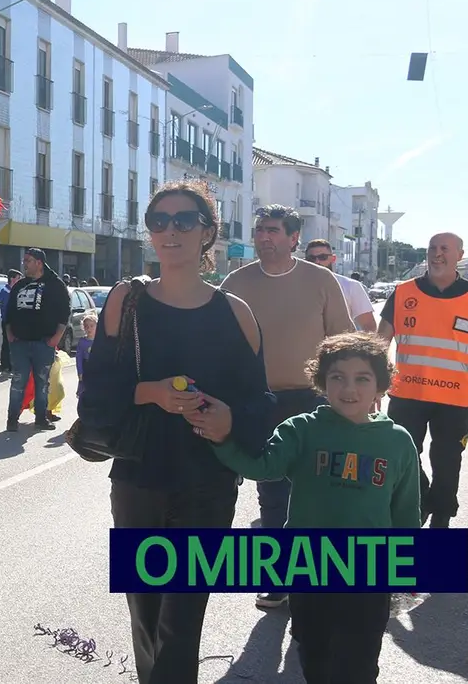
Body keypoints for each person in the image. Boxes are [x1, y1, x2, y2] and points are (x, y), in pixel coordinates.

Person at [79, 181, 273, 684]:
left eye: (184, 220)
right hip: (138, 480)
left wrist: (230, 418)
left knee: (183, 622)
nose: (170, 230)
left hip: (207, 486)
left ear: (208, 232)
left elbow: (261, 407)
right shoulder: (127, 300)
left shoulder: (236, 313)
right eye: (158, 221)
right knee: (145, 620)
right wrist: (151, 393)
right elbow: (95, 394)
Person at [211, 332, 420, 684]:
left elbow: (406, 510)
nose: (348, 388)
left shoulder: (397, 441)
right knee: (314, 653)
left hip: (370, 572)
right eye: (337, 377)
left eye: (362, 378)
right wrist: (222, 439)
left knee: (361, 660)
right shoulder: (302, 430)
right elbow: (263, 468)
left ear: (381, 386)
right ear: (322, 383)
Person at [220, 204, 354, 609]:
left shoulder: (320, 280)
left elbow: (343, 343)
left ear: (294, 238)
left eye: (273, 230)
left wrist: (348, 397)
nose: (264, 237)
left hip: (311, 401)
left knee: (316, 490)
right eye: (260, 229)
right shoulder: (235, 282)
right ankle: (278, 579)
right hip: (259, 402)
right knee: (271, 491)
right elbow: (219, 344)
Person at [378, 231, 468, 528]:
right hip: (407, 395)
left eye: (445, 248)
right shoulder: (404, 292)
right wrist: (374, 381)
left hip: (456, 399)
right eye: (432, 247)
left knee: (447, 460)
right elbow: (381, 341)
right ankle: (420, 497)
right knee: (401, 454)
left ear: (460, 254)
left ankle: (441, 514)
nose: (437, 253)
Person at [4, 248, 71, 432]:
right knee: (19, 380)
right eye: (24, 260)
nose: (24, 264)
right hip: (20, 343)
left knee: (43, 382)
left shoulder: (55, 285)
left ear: (39, 263)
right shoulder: (20, 285)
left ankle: (41, 418)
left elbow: (64, 313)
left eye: (28, 260)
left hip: (44, 343)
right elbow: (8, 312)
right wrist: (10, 333)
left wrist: (56, 337)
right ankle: (12, 419)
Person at [304, 238, 376, 331]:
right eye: (311, 258)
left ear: (333, 258)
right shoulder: (296, 286)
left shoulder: (351, 286)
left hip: (340, 343)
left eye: (323, 257)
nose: (317, 261)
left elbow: (368, 325)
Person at [0, 268, 22, 374]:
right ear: (12, 279)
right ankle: (5, 366)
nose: (19, 280)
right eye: (18, 278)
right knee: (7, 344)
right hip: (7, 321)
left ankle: (14, 366)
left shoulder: (17, 291)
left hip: (16, 322)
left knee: (16, 344)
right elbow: (6, 307)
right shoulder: (5, 291)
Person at [75, 312, 96, 398]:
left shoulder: (100, 341)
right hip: (86, 367)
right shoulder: (82, 342)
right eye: (86, 326)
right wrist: (80, 373)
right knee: (84, 392)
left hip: (97, 369)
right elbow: (78, 358)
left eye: (92, 326)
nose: (89, 329)